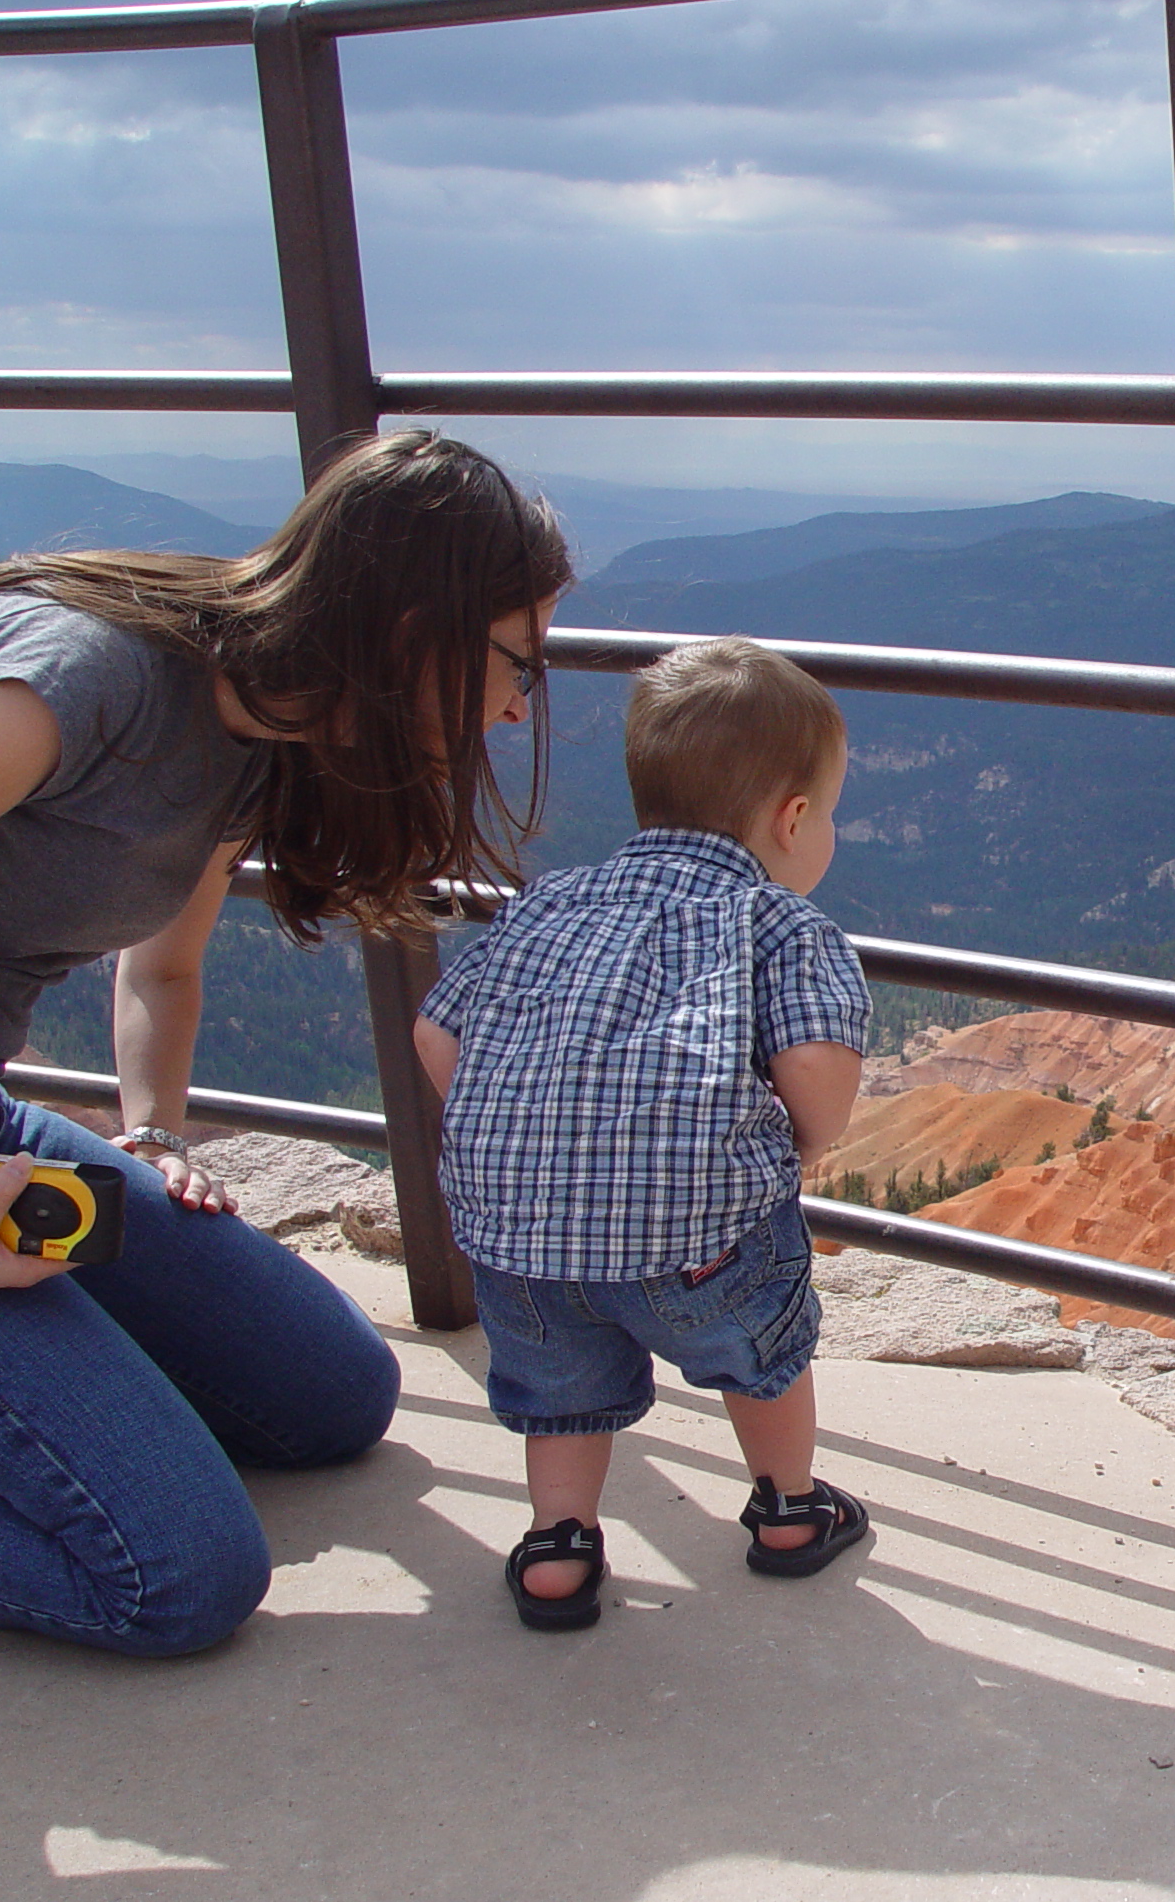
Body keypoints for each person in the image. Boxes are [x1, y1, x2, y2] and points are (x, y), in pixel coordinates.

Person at [0, 429, 571, 1656]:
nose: (523, 699)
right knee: (174, 1576)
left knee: (332, 1397)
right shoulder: (82, 676)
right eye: (518, 657)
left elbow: (164, 964)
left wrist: (149, 1132)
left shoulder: (257, 725)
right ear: (413, 631)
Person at [414, 634, 872, 1632]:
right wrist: (801, 1141)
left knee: (558, 1393)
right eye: (828, 811)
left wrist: (520, 1129)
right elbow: (815, 1075)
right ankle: (790, 1511)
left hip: (520, 1244)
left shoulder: (551, 901)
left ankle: (556, 1545)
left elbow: (435, 1031)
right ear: (793, 820)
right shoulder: (779, 925)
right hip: (704, 1241)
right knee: (766, 1358)